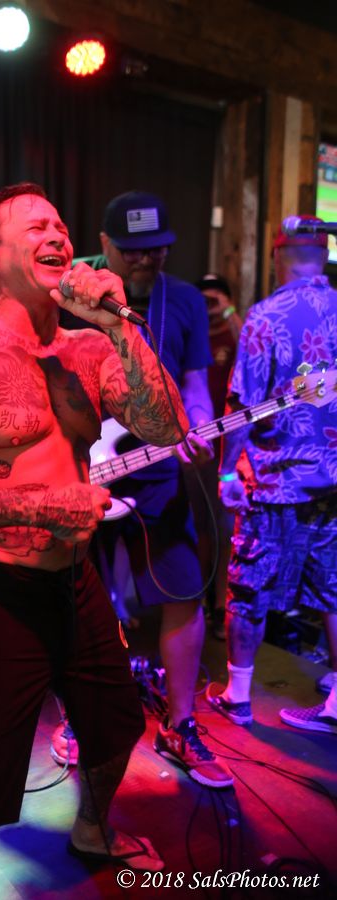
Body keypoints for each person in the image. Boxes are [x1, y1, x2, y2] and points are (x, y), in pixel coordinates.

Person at [0, 182, 191, 898]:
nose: (56, 235)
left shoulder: (89, 346)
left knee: (114, 728)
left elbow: (168, 426)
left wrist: (120, 326)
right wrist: (46, 505)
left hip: (74, 580)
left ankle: (93, 829)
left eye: (59, 225)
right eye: (34, 226)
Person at [51, 191, 234, 790]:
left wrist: (197, 425)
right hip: (81, 469)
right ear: (104, 244)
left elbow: (195, 384)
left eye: (155, 249)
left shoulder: (184, 300)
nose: (145, 260)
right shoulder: (71, 295)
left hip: (158, 472)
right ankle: (79, 719)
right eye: (131, 251)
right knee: (80, 600)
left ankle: (181, 724)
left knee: (184, 590)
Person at [206, 216, 337, 734]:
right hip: (334, 481)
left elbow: (244, 405)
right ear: (323, 256)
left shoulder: (266, 317)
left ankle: (238, 696)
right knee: (335, 587)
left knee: (249, 584)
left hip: (275, 480)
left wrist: (225, 474)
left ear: (278, 257)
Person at [190, 274, 243, 639]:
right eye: (203, 301)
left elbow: (248, 357)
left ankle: (222, 604)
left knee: (225, 528)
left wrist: (229, 311)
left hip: (228, 445)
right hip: (196, 443)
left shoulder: (235, 331)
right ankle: (198, 600)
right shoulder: (195, 334)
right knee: (198, 526)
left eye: (215, 300)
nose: (209, 307)